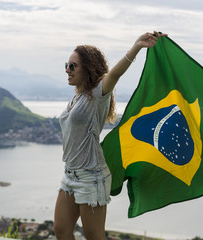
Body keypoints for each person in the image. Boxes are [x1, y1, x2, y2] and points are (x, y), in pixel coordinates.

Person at [54, 31, 167, 240]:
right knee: (61, 230)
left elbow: (114, 75)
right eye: (66, 66)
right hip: (70, 174)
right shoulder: (77, 95)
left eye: (72, 66)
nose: (67, 70)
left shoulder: (97, 94)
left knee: (94, 236)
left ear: (87, 68)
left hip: (91, 177)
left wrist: (137, 45)